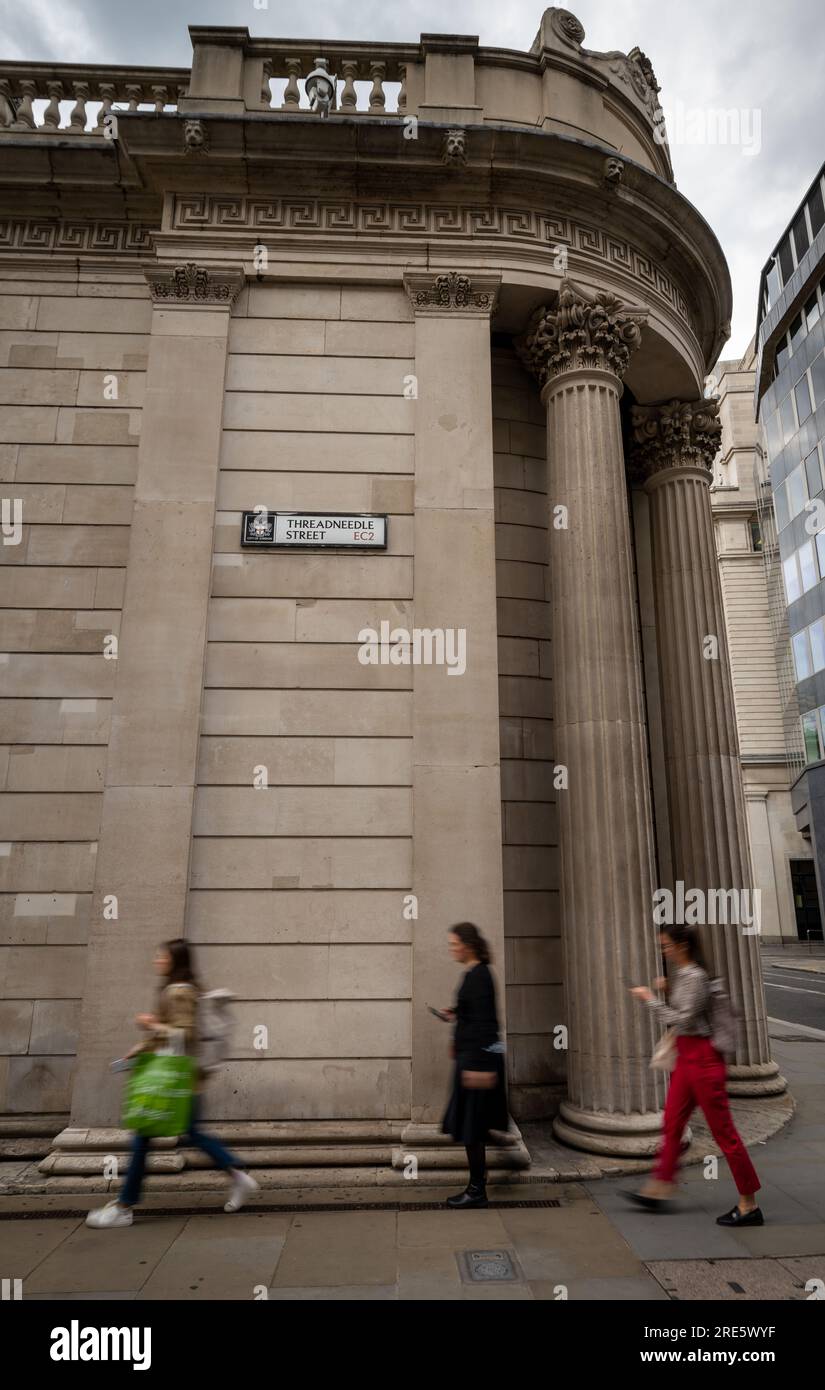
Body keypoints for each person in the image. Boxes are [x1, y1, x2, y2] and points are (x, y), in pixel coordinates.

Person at [86, 939, 258, 1228]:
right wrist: (138, 1049)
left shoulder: (179, 991)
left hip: (178, 1081)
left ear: (174, 960)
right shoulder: (182, 989)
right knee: (191, 1133)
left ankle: (124, 1207)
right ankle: (238, 1175)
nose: (156, 959)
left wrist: (149, 1025)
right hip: (187, 1080)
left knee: (144, 1136)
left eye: (161, 956)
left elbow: (184, 1035)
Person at [626, 924, 763, 1226]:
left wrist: (649, 998)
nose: (664, 951)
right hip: (687, 1059)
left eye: (666, 945)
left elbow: (685, 1020)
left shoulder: (697, 976)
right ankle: (660, 1186)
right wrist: (666, 991)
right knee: (672, 1121)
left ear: (683, 945)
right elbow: (690, 1010)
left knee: (724, 1134)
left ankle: (749, 1203)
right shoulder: (686, 976)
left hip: (703, 1060)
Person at [440, 922, 508, 1209]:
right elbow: (477, 1014)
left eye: (454, 944)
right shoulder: (476, 974)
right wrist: (455, 1012)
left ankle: (477, 1190)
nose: (451, 948)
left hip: (477, 1061)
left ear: (466, 945)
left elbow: (487, 1025)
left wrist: (479, 1067)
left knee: (471, 1128)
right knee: (474, 1125)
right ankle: (482, 1177)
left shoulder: (479, 975)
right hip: (473, 1058)